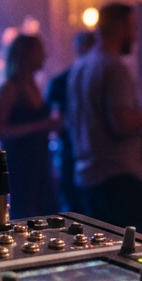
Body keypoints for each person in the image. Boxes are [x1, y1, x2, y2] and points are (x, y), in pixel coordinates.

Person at [67, 3, 142, 231]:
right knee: (130, 257)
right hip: (118, 178)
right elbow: (121, 124)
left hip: (86, 176)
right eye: (132, 27)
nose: (134, 36)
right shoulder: (114, 68)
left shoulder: (80, 67)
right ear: (120, 27)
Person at [0, 34, 59, 218]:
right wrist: (40, 125)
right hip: (20, 167)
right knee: (26, 216)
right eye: (40, 51)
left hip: (39, 164)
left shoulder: (34, 86)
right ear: (26, 55)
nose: (45, 56)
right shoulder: (10, 88)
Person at [46, 31, 96, 212]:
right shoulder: (61, 81)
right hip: (71, 150)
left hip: (82, 151)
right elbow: (49, 119)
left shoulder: (61, 80)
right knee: (75, 203)